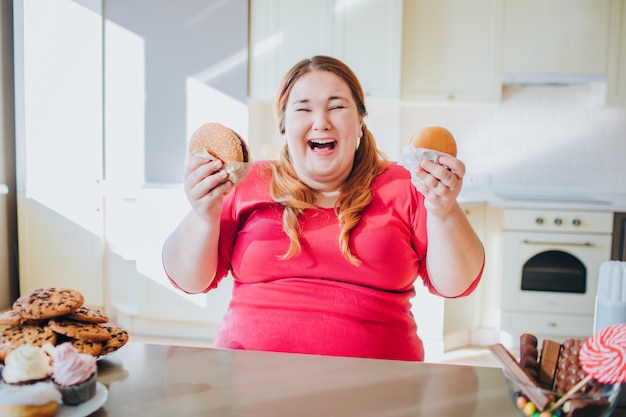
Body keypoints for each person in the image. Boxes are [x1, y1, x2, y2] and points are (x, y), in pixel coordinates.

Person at [162, 55, 485, 361]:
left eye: (336, 107)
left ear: (360, 121)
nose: (321, 122)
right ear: (284, 125)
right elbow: (190, 281)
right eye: (303, 109)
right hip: (249, 381)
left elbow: (456, 285)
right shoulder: (245, 182)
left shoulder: (407, 184)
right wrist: (203, 214)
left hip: (381, 389)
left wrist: (444, 210)